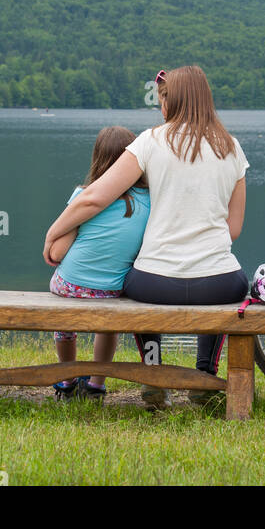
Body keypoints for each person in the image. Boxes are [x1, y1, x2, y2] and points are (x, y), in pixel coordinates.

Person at [44, 66, 248, 409]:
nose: (160, 107)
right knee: (233, 289)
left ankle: (153, 376)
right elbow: (233, 228)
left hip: (155, 281)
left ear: (174, 102)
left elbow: (95, 198)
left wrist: (53, 232)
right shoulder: (232, 148)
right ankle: (204, 378)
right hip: (218, 281)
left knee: (129, 283)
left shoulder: (150, 141)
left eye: (163, 99)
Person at [46, 125, 150, 400]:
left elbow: (56, 254)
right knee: (108, 325)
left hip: (70, 286)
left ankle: (67, 382)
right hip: (113, 289)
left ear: (97, 158)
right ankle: (95, 385)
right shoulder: (148, 201)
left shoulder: (84, 195)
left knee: (64, 321)